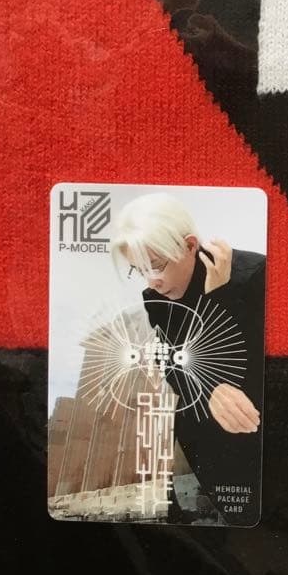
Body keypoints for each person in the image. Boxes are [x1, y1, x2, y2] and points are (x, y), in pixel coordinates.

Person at [110, 192, 265, 524]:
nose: (152, 281)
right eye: (139, 270)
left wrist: (219, 298)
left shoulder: (255, 274)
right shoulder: (155, 297)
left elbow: (258, 366)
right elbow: (172, 369)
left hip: (259, 433)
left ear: (190, 245)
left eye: (155, 265)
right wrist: (211, 387)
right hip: (209, 444)